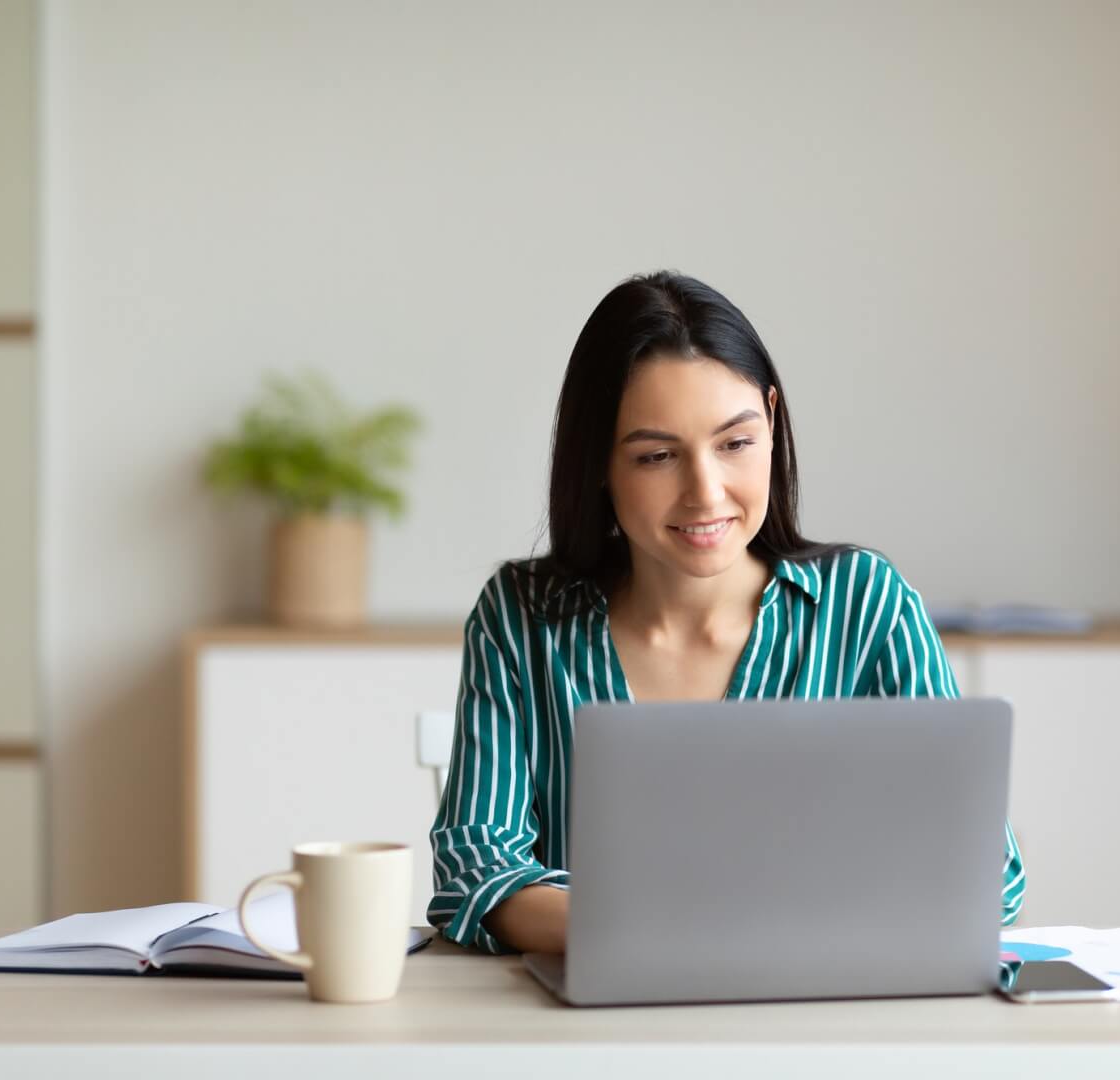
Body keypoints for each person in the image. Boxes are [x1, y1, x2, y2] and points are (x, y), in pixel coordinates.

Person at [428, 270, 1025, 954]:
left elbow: (987, 871)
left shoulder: (867, 605)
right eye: (657, 456)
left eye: (735, 444)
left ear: (771, 421)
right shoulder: (522, 618)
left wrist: (737, 938)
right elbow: (476, 867)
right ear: (598, 461)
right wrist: (642, 939)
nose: (705, 493)